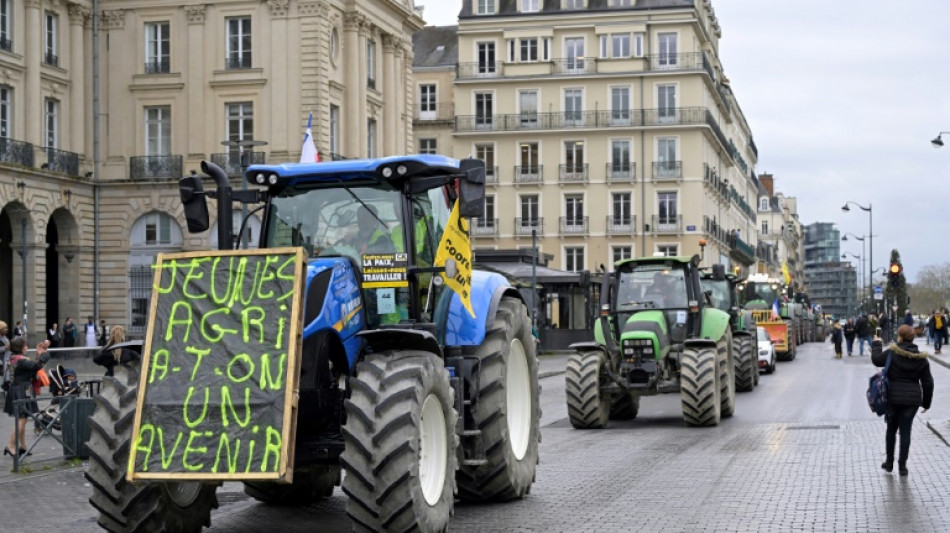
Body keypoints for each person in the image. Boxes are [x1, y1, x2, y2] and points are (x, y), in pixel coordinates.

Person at [871, 325, 933, 476]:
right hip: (912, 401)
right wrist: (926, 403)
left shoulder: (892, 353)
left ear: (900, 337)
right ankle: (902, 466)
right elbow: (927, 382)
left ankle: (889, 462)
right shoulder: (921, 359)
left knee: (891, 429)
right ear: (913, 338)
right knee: (906, 432)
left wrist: (877, 343)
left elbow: (877, 360)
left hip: (893, 398)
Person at [4, 338, 50, 458]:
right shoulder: (20, 360)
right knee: (22, 420)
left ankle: (22, 447)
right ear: (20, 347)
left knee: (22, 418)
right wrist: (44, 354)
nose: (27, 347)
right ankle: (10, 445)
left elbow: (31, 367)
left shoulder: (16, 358)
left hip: (19, 389)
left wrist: (38, 354)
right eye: (25, 345)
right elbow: (36, 366)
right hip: (21, 390)